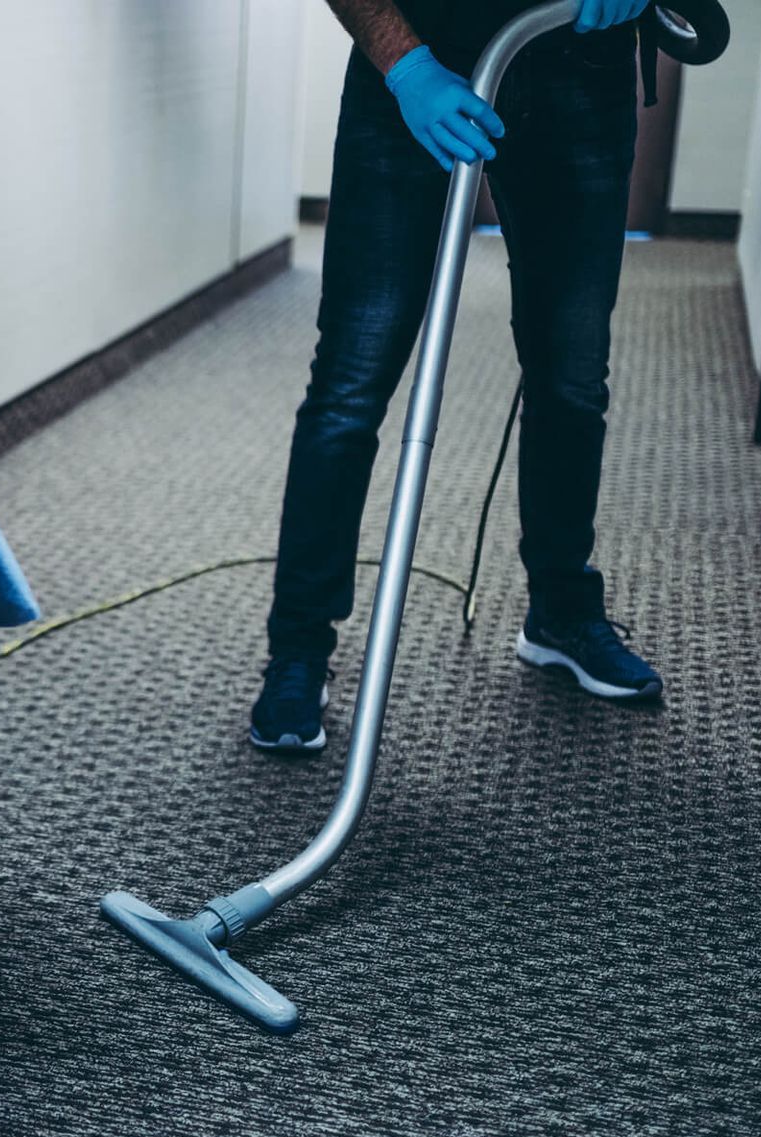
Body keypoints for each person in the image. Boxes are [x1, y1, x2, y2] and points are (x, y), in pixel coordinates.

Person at [252, 0, 664, 754]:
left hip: (582, 62)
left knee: (571, 374)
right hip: (414, 60)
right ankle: (299, 650)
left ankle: (562, 613)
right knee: (352, 377)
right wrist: (406, 70)